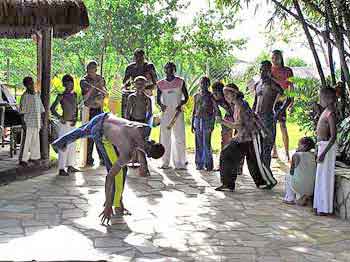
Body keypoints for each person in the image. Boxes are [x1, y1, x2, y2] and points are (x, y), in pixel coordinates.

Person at [51, 113, 165, 222]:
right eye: (148, 147)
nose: (146, 146)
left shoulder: (144, 129)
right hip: (100, 133)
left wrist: (142, 156)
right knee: (114, 170)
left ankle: (60, 142)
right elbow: (110, 177)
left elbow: (140, 143)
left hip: (103, 117)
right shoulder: (127, 153)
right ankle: (115, 204)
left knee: (82, 131)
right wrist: (108, 205)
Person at [215, 84, 277, 191]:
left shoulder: (240, 106)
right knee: (227, 154)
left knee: (256, 161)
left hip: (252, 137)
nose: (225, 97)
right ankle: (228, 184)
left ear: (234, 94)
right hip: (244, 137)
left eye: (227, 94)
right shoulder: (237, 105)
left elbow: (238, 125)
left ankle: (268, 181)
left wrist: (222, 121)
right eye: (224, 95)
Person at [254, 60, 291, 168]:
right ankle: (261, 172)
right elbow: (255, 102)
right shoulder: (258, 84)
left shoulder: (273, 85)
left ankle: (266, 173)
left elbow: (288, 98)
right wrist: (251, 115)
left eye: (265, 69)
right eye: (261, 69)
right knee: (258, 146)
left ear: (270, 70)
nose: (262, 72)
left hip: (268, 117)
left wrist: (279, 112)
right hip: (258, 118)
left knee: (267, 146)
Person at [157, 62, 189, 170]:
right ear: (164, 70)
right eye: (167, 68)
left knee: (179, 137)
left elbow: (186, 97)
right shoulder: (160, 83)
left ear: (174, 69)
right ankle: (165, 162)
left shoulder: (180, 81)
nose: (169, 70)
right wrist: (161, 105)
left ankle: (180, 162)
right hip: (166, 113)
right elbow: (158, 99)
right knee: (165, 137)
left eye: (171, 68)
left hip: (177, 113)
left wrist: (181, 104)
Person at [313, 87, 337, 216]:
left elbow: (333, 136)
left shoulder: (330, 113)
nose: (319, 100)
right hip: (322, 146)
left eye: (321, 98)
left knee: (325, 179)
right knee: (320, 178)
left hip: (327, 148)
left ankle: (325, 208)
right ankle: (319, 205)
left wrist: (323, 153)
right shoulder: (325, 111)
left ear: (328, 99)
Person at [50, 74, 79, 176]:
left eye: (70, 83)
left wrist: (76, 117)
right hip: (64, 124)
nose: (69, 85)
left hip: (72, 123)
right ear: (63, 84)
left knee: (72, 145)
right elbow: (52, 109)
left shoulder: (74, 95)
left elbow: (77, 108)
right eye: (66, 83)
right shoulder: (60, 96)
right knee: (63, 146)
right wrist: (59, 117)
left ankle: (70, 165)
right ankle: (62, 168)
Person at [80, 61, 107, 167]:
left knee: (99, 134)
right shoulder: (84, 81)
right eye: (90, 69)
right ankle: (88, 158)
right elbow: (86, 97)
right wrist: (94, 87)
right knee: (89, 134)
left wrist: (102, 91)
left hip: (98, 109)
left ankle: (102, 158)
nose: (92, 71)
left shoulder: (101, 78)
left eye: (94, 69)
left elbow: (104, 92)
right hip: (89, 110)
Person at [271, 50, 294, 161]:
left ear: (281, 58)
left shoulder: (288, 71)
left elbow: (291, 87)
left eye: (277, 57)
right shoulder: (269, 70)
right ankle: (274, 151)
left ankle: (286, 152)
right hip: (271, 102)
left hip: (283, 102)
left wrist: (292, 102)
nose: (274, 60)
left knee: (283, 126)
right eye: (273, 57)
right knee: (272, 127)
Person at [192, 77, 216, 171]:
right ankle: (199, 163)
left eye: (205, 83)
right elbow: (194, 110)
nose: (203, 85)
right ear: (199, 84)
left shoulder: (211, 96)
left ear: (208, 85)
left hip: (207, 120)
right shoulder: (196, 95)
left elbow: (215, 110)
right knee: (198, 143)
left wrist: (212, 123)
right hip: (197, 120)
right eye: (202, 83)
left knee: (207, 143)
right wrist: (192, 123)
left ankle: (209, 164)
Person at [19, 77, 45, 167]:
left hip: (37, 122)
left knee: (35, 141)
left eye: (32, 83)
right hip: (28, 122)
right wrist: (23, 124)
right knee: (27, 141)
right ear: (25, 85)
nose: (31, 85)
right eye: (29, 84)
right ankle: (23, 159)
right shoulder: (24, 96)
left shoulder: (37, 95)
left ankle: (35, 157)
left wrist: (41, 121)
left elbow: (42, 110)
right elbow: (22, 112)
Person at [283, 137, 316, 205]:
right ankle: (303, 197)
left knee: (288, 175)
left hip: (299, 186)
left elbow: (291, 172)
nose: (297, 147)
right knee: (303, 176)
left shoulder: (296, 155)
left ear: (304, 146)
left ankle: (290, 198)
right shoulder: (313, 155)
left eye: (299, 145)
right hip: (311, 189)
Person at [212, 81, 235, 149]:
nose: (214, 94)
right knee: (225, 138)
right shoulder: (216, 99)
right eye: (213, 92)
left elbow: (235, 112)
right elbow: (217, 112)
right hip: (228, 117)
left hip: (236, 117)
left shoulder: (229, 98)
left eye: (216, 92)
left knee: (234, 139)